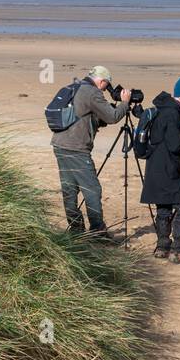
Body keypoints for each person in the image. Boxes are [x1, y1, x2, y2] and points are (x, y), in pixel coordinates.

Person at [51, 66, 131, 240]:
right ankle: (97, 231)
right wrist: (125, 102)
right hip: (77, 148)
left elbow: (82, 114)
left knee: (69, 189)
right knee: (92, 190)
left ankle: (76, 229)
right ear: (102, 81)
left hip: (59, 145)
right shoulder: (92, 93)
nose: (105, 89)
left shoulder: (75, 86)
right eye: (106, 86)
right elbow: (112, 117)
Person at [140, 77, 180, 264]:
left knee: (163, 208)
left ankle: (162, 247)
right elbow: (175, 145)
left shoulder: (164, 109)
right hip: (168, 170)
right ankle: (179, 249)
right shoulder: (172, 114)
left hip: (155, 168)